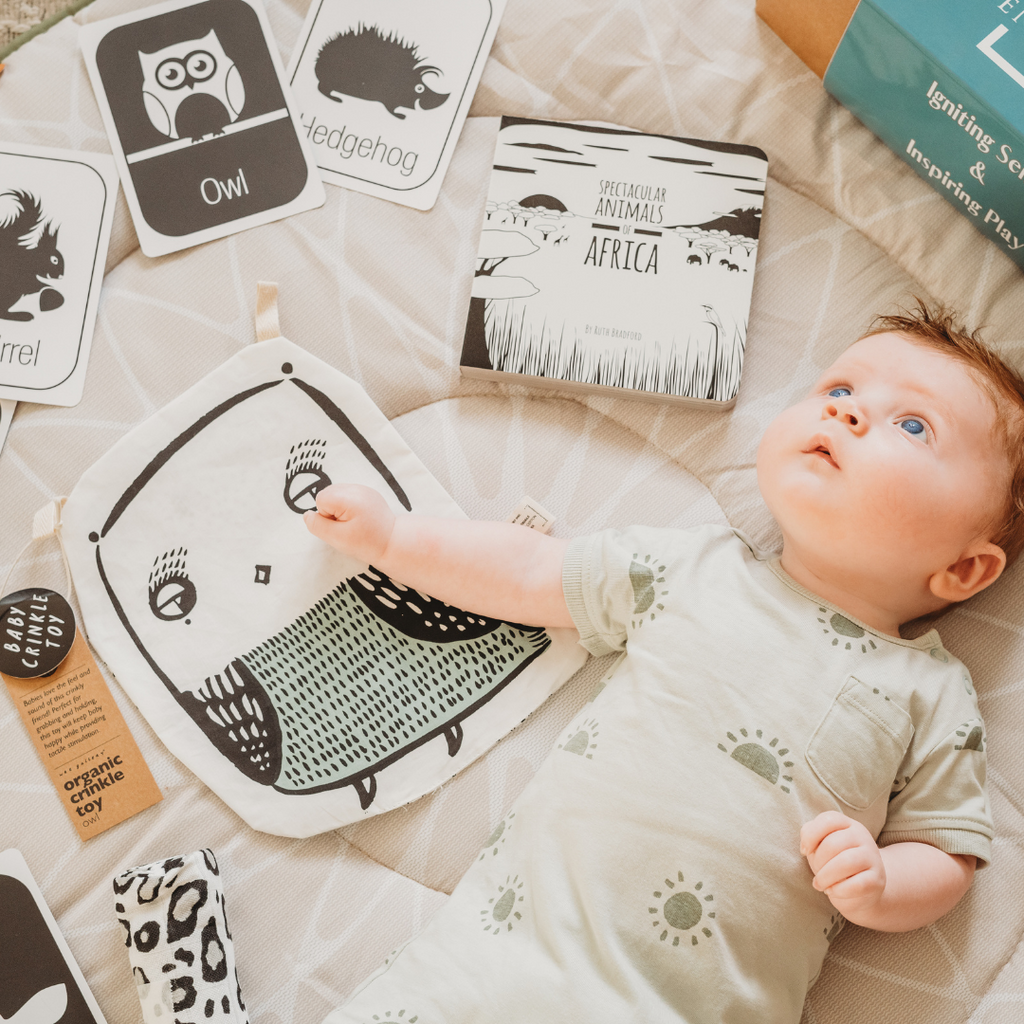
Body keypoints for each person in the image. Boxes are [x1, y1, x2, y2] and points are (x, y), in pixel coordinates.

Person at [307, 304, 1024, 1024]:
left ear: (964, 570)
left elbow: (946, 852)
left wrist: (882, 883)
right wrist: (397, 538)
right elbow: (530, 572)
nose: (849, 416)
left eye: (913, 425)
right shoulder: (693, 566)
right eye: (838, 392)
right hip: (498, 958)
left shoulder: (930, 692)